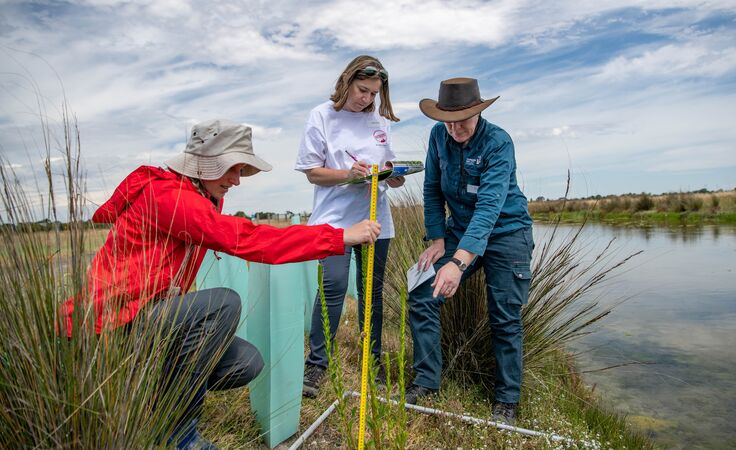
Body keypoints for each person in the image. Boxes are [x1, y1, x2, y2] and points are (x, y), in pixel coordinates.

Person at [61, 119, 380, 449]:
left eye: (241, 170)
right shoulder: (171, 197)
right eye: (231, 168)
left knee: (245, 362)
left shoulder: (199, 194)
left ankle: (151, 403)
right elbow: (249, 239)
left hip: (142, 314)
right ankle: (178, 436)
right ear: (204, 164)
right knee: (223, 304)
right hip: (109, 326)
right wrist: (338, 235)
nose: (236, 180)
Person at [405, 78, 533, 425]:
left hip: (508, 232)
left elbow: (489, 207)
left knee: (504, 314)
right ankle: (427, 382)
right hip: (458, 229)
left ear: (477, 112)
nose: (454, 127)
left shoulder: (498, 142)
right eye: (448, 119)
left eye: (462, 119)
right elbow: (432, 188)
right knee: (421, 293)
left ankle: (507, 401)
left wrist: (459, 264)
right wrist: (436, 240)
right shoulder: (438, 137)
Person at [295, 55, 402, 398]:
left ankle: (372, 361)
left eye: (373, 93)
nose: (367, 98)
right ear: (346, 82)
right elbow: (312, 171)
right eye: (362, 90)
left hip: (375, 220)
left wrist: (394, 175)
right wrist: (348, 174)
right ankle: (317, 364)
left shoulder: (381, 122)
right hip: (334, 222)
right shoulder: (321, 116)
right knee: (333, 286)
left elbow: (388, 168)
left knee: (372, 293)